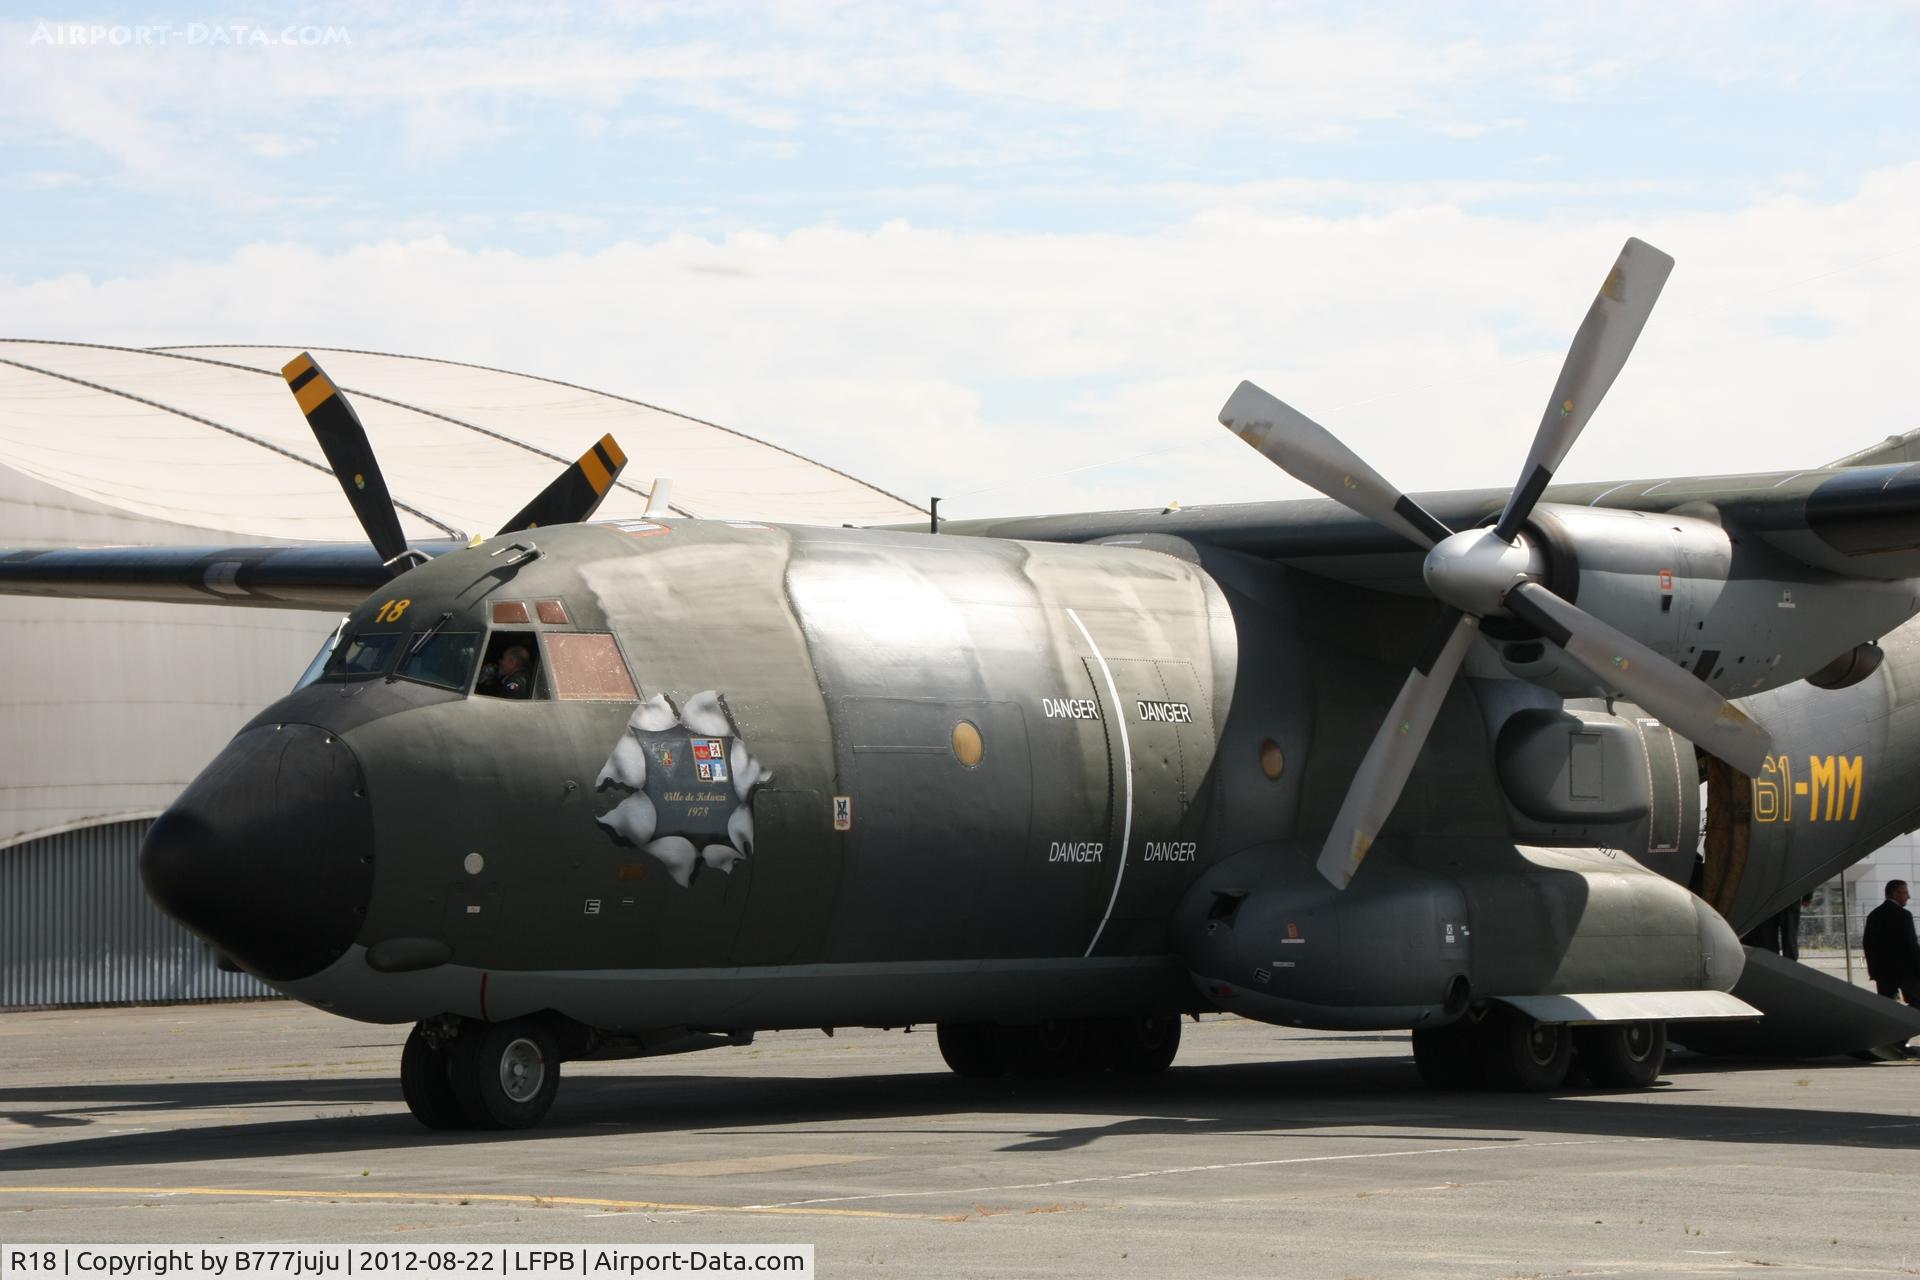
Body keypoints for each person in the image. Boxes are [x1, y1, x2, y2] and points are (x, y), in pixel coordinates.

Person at [1862, 879, 1920, 1005]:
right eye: (1905, 893)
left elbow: (1868, 945)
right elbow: (1911, 944)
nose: (1908, 896)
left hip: (1883, 972)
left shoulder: (1874, 915)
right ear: (1895, 893)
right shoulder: (1904, 915)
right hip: (1906, 971)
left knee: (1887, 1006)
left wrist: (1873, 970)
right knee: (1916, 1003)